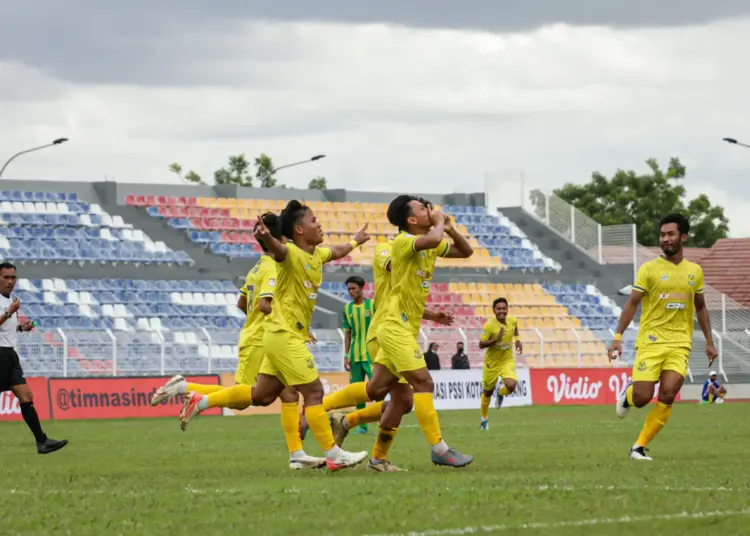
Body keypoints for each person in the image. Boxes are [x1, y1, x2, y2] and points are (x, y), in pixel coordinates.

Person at [179, 200, 370, 471]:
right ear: (299, 229)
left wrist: (355, 242)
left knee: (261, 396)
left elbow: (337, 251)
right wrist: (267, 237)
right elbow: (279, 251)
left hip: (278, 336)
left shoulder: (317, 254)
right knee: (314, 392)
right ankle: (334, 454)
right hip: (284, 336)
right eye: (313, 220)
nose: (319, 224)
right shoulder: (290, 253)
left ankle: (203, 400)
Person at [152, 213, 325, 470]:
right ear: (285, 237)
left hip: (258, 334)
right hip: (263, 338)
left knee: (289, 394)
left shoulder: (256, 266)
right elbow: (265, 304)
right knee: (246, 397)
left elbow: (242, 302)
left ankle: (296, 454)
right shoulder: (273, 267)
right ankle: (186, 389)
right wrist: (281, 321)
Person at [318, 195, 475, 469]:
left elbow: (466, 252)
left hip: (404, 327)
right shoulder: (400, 244)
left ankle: (364, 446)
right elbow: (426, 245)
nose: (430, 211)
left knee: (386, 393)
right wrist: (439, 225)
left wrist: (450, 228)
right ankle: (439, 448)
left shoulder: (428, 246)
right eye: (424, 209)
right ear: (411, 219)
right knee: (423, 384)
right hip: (390, 327)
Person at [609, 213, 717, 461]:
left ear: (683, 237)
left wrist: (709, 342)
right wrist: (617, 336)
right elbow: (632, 303)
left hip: (680, 343)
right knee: (642, 398)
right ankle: (629, 394)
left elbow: (700, 306)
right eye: (662, 235)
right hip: (651, 341)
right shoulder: (649, 269)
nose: (665, 239)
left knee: (668, 393)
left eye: (670, 234)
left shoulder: (695, 271)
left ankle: (639, 447)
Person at [0, 262, 67, 454]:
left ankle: (42, 442)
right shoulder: (7, 304)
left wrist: (22, 327)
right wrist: (9, 312)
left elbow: (6, 328)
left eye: (13, 278)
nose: (10, 281)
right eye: (6, 277)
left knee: (26, 396)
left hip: (9, 354)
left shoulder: (10, 300)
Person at [478, 297, 522, 429]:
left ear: (507, 309)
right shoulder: (489, 325)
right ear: (494, 311)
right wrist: (496, 339)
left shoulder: (513, 320)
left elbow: (515, 329)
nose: (502, 311)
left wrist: (518, 340)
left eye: (504, 308)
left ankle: (501, 393)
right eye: (499, 309)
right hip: (492, 364)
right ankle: (484, 420)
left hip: (507, 361)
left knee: (512, 385)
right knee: (487, 393)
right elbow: (481, 344)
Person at [342, 275, 375, 435]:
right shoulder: (347, 309)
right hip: (355, 356)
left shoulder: (372, 305)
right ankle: (362, 426)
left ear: (362, 288)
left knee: (377, 388)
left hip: (371, 355)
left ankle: (384, 418)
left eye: (354, 288)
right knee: (357, 391)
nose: (351, 291)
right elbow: (348, 334)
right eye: (349, 289)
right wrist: (346, 354)